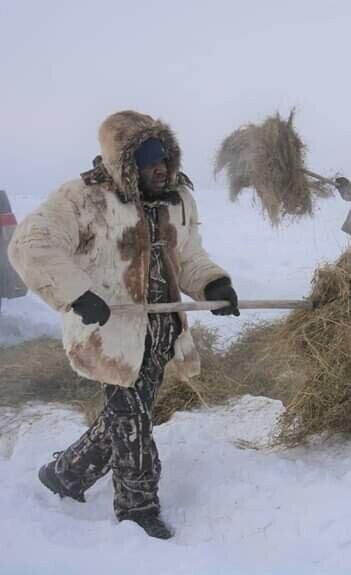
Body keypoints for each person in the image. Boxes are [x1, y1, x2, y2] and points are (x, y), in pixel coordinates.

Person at [8, 110, 239, 539]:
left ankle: (65, 475)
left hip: (161, 331)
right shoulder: (84, 198)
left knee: (126, 417)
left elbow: (188, 258)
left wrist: (214, 285)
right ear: (124, 162)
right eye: (150, 157)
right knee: (132, 426)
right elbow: (30, 244)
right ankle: (138, 508)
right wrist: (78, 293)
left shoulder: (179, 198)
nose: (162, 166)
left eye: (166, 155)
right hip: (109, 334)